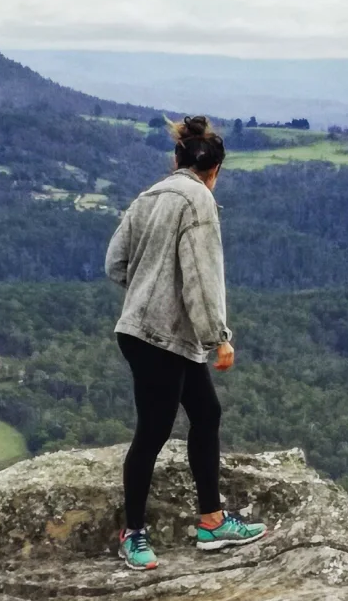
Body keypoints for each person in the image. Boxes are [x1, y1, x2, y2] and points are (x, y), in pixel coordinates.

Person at [103, 115, 267, 571]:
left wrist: (143, 293)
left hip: (147, 332)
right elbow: (201, 278)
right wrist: (220, 338)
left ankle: (212, 521)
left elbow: (115, 263)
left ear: (176, 159)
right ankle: (132, 534)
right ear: (216, 170)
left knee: (206, 413)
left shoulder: (148, 196)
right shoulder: (200, 203)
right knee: (153, 432)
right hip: (164, 336)